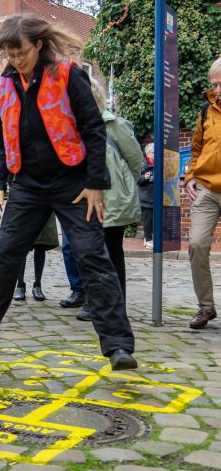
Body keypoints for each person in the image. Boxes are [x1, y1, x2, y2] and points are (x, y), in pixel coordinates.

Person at [0, 12, 137, 371]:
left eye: (22, 53)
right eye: (10, 54)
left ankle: (118, 347)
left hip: (73, 181)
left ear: (38, 45)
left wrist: (96, 183)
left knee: (92, 257)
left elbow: (94, 129)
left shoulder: (67, 74)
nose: (16, 60)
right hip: (28, 185)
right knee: (3, 258)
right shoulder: (2, 86)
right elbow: (0, 141)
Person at [74, 78, 142, 321]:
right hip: (85, 199)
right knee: (89, 251)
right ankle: (94, 301)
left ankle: (116, 302)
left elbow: (135, 160)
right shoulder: (74, 128)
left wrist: (122, 186)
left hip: (113, 199)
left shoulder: (115, 125)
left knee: (112, 251)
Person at [184, 57, 221, 329]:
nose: (216, 89)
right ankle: (206, 307)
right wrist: (189, 176)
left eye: (220, 84)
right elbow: (196, 149)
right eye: (213, 84)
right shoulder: (206, 111)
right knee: (197, 244)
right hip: (207, 189)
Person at [13, 215, 58, 301]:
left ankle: (37, 285)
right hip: (26, 206)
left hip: (45, 206)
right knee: (22, 245)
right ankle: (20, 285)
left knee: (41, 244)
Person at [138, 143, 155, 249]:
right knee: (147, 220)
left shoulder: (158, 163)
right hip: (146, 198)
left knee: (155, 220)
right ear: (148, 153)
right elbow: (136, 179)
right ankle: (148, 240)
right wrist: (145, 177)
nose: (156, 154)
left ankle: (149, 238)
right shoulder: (142, 164)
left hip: (156, 197)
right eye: (153, 152)